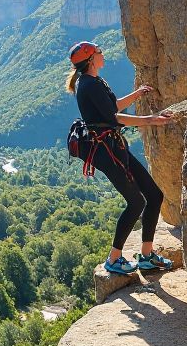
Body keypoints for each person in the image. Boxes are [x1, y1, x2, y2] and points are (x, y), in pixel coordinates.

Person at [67, 40, 174, 277]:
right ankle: (113, 259)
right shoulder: (89, 85)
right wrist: (150, 119)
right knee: (136, 202)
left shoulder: (94, 81)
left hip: (114, 146)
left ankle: (146, 256)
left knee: (154, 195)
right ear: (92, 59)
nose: (103, 54)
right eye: (99, 52)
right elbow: (115, 118)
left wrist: (136, 94)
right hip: (106, 152)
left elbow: (111, 107)